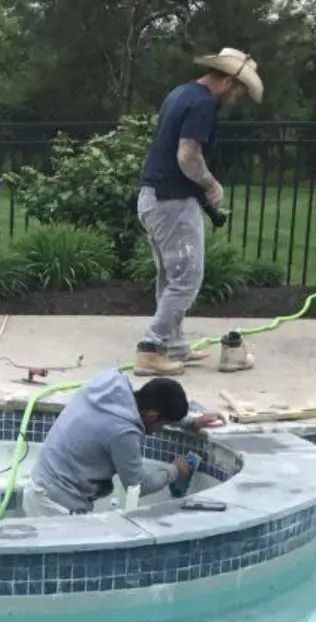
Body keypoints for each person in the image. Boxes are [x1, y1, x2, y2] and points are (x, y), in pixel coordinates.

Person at [134, 47, 264, 377]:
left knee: (171, 278)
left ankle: (174, 347)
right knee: (187, 280)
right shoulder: (203, 104)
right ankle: (151, 348)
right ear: (229, 81)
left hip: (154, 198)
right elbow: (187, 155)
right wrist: (210, 184)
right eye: (239, 91)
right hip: (172, 202)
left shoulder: (181, 93)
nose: (237, 99)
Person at [24, 371, 210, 517]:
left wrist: (190, 423)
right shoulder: (123, 432)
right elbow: (138, 486)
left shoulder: (110, 382)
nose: (161, 429)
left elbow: (149, 410)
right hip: (55, 507)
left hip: (40, 487)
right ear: (152, 415)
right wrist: (175, 471)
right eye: (164, 424)